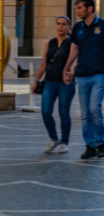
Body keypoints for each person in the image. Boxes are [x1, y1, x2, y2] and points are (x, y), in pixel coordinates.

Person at [62, 0, 104, 160]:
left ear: (89, 9)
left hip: (99, 73)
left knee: (94, 108)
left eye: (80, 8)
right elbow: (74, 51)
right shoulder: (78, 27)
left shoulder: (103, 25)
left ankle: (100, 143)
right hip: (82, 75)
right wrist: (66, 69)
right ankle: (90, 146)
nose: (77, 11)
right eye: (77, 8)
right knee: (85, 113)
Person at [33, 16, 75, 154]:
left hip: (65, 84)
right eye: (58, 24)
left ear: (68, 27)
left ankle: (64, 142)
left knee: (64, 113)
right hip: (49, 82)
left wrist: (71, 73)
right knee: (45, 111)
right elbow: (44, 63)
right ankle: (53, 138)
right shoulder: (49, 43)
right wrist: (36, 80)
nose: (60, 27)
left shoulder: (72, 43)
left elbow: (74, 61)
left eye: (63, 24)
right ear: (55, 26)